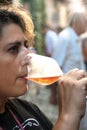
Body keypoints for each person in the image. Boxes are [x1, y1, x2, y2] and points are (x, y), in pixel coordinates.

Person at [0, 1, 87, 130]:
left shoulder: (28, 109)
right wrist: (67, 116)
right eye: (13, 49)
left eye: (26, 45)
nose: (28, 55)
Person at [42, 24, 58, 105]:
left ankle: (53, 98)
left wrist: (48, 57)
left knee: (52, 78)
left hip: (52, 57)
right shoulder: (53, 33)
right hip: (55, 57)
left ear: (44, 29)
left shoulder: (48, 35)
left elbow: (50, 48)